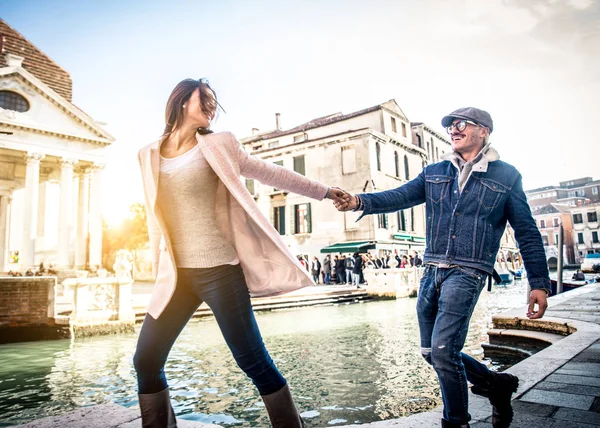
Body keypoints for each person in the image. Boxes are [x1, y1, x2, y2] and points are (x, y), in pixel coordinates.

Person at [134, 78, 349, 428]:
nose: (211, 105)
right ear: (180, 101)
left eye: (214, 100)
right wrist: (156, 266)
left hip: (221, 270)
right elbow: (152, 216)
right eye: (204, 98)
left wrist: (324, 191)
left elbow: (270, 173)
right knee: (145, 359)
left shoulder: (221, 143)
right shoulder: (147, 154)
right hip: (176, 276)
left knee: (253, 361)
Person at [334, 107, 551, 428]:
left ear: (484, 131)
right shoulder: (435, 170)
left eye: (461, 124)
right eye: (450, 125)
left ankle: (456, 422)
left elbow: (527, 231)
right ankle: (496, 385)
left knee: (444, 350)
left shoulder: (507, 175)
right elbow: (399, 196)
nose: (453, 129)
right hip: (431, 271)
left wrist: (538, 283)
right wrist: (357, 200)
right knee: (430, 352)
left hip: (469, 272)